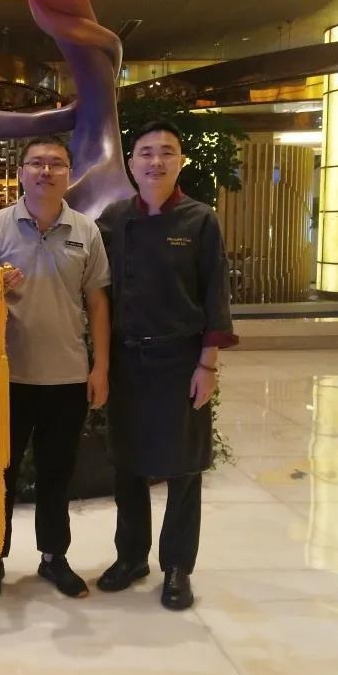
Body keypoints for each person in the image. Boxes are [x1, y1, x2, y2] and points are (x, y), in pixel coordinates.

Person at [93, 119, 238, 611]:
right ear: (131, 163)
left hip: (180, 361)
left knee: (184, 468)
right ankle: (131, 557)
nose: (156, 161)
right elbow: (92, 285)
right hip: (126, 360)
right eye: (146, 152)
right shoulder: (114, 219)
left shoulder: (200, 220)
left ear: (180, 161)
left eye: (166, 152)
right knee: (127, 464)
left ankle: (177, 567)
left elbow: (216, 294)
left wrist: (208, 366)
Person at [0, 134, 111, 601]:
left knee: (57, 473)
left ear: (69, 174)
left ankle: (54, 557)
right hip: (6, 376)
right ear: (20, 172)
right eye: (36, 163)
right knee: (0, 474)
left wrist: (100, 367)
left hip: (67, 375)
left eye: (56, 164)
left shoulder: (86, 231)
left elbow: (97, 301)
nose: (45, 171)